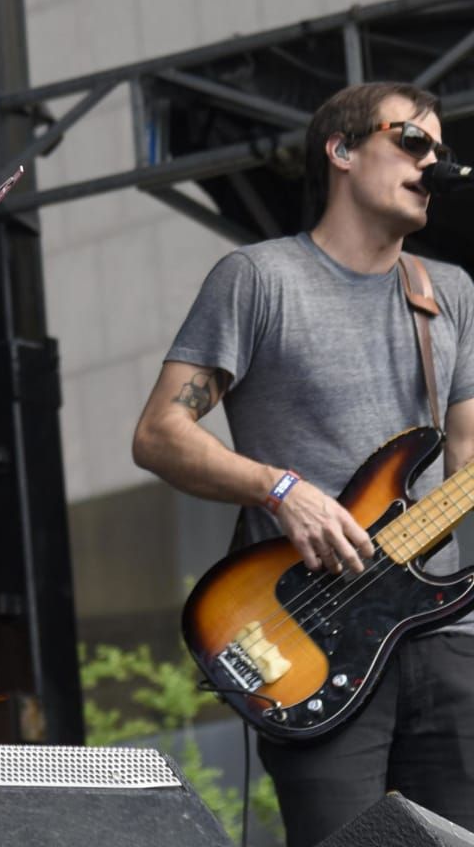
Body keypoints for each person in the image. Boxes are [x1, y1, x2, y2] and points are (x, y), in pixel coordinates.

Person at [133, 81, 474, 847]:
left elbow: (465, 459)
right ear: (343, 150)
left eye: (442, 153)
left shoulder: (448, 292)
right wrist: (280, 488)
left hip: (444, 633)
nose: (434, 163)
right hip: (308, 633)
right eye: (412, 143)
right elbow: (158, 432)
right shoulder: (258, 279)